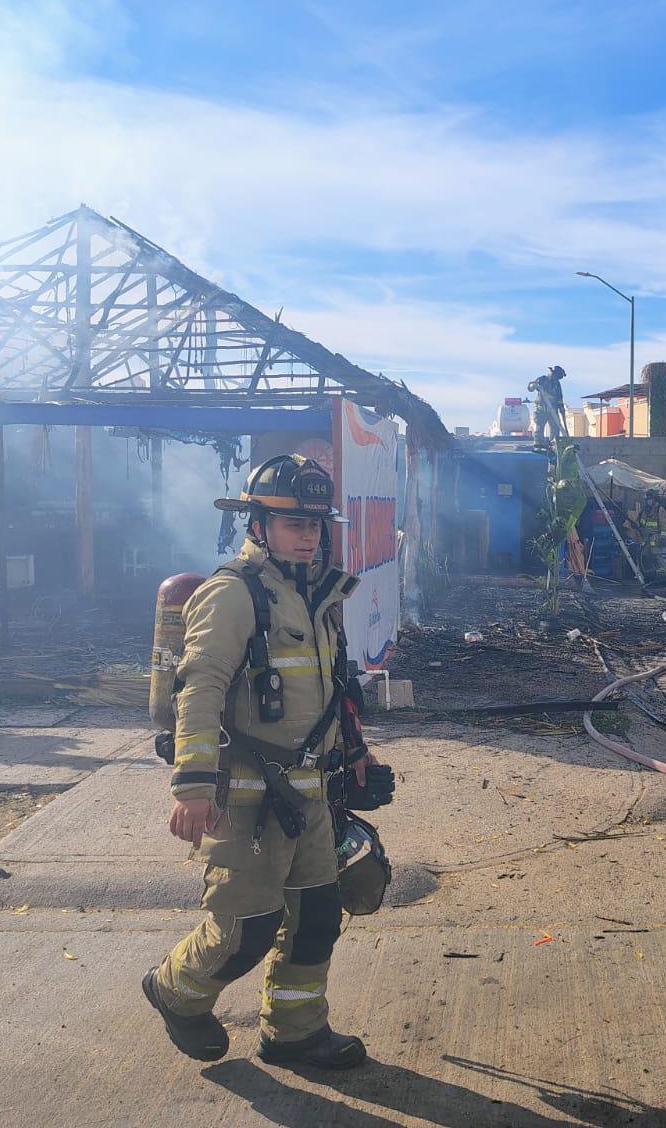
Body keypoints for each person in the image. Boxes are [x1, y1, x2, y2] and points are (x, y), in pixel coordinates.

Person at [143, 454, 381, 1073]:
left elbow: (332, 690)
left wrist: (354, 752)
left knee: (316, 918)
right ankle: (175, 990)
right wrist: (193, 786)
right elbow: (198, 689)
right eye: (294, 523)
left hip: (312, 791)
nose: (308, 534)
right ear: (258, 524)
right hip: (245, 797)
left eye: (315, 524)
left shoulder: (318, 593)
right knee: (246, 929)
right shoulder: (232, 594)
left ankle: (296, 1032)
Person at [528, 365, 569, 444]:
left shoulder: (557, 385)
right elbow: (531, 388)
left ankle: (554, 444)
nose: (557, 379)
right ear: (553, 374)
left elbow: (559, 398)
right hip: (541, 411)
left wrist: (561, 408)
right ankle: (538, 444)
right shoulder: (542, 380)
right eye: (557, 377)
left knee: (556, 428)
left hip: (552, 412)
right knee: (540, 428)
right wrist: (534, 385)